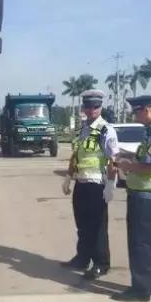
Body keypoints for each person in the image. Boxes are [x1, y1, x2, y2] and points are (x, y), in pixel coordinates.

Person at [112, 95, 151, 302]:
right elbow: (149, 159)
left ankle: (141, 289)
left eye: (137, 113)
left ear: (147, 110)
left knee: (140, 243)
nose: (136, 118)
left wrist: (128, 166)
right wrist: (130, 158)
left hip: (145, 195)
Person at [61, 89, 119, 280]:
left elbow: (113, 159)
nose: (92, 109)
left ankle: (101, 263)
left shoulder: (106, 130)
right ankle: (83, 258)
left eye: (95, 106)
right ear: (83, 108)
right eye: (88, 106)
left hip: (97, 185)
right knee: (82, 225)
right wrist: (68, 177)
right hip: (81, 183)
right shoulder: (82, 130)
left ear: (100, 107)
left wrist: (110, 184)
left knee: (98, 227)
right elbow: (76, 155)